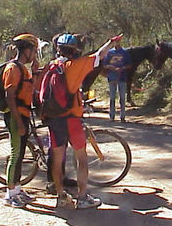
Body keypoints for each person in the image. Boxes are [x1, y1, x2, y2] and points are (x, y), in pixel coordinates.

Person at [44, 32, 122, 209]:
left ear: (58, 49)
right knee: (82, 158)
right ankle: (82, 197)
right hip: (72, 119)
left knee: (57, 159)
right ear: (75, 50)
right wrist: (111, 41)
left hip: (54, 119)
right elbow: (98, 55)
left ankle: (61, 196)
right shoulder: (77, 65)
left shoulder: (52, 66)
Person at [2, 33, 40, 208]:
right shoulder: (13, 69)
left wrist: (35, 72)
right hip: (15, 116)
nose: (35, 54)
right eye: (34, 50)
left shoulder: (23, 68)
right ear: (27, 50)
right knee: (16, 154)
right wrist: (17, 121)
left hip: (23, 114)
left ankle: (17, 188)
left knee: (20, 153)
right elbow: (10, 97)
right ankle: (10, 194)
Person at [103, 36, 131, 122]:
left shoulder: (125, 52)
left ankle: (122, 116)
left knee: (122, 97)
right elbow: (104, 65)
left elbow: (129, 65)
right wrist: (111, 67)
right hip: (112, 78)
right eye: (115, 41)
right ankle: (112, 115)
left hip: (122, 78)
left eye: (118, 41)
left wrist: (122, 68)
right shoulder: (109, 53)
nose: (116, 43)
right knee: (112, 97)